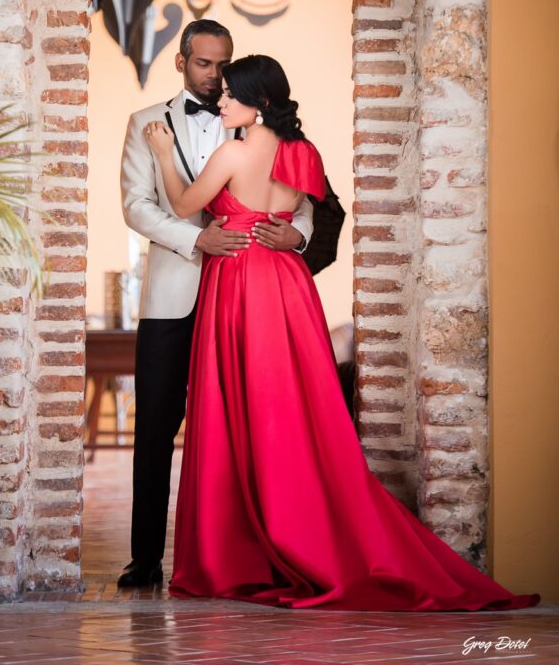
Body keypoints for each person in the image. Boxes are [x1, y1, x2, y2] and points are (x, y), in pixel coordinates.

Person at [144, 54, 540, 611]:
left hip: (239, 280)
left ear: (259, 103)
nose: (222, 101)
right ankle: (290, 529)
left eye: (231, 94)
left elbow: (186, 206)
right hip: (286, 283)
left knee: (238, 408)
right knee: (286, 408)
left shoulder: (233, 150)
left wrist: (164, 154)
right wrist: (288, 236)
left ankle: (235, 553)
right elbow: (304, 214)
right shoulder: (303, 153)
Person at [118, 24, 314, 588]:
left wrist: (293, 237)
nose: (214, 76)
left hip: (249, 293)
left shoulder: (261, 125)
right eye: (204, 64)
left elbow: (300, 200)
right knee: (156, 426)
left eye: (222, 65)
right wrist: (194, 240)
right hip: (174, 296)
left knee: (249, 425)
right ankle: (146, 557)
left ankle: (251, 550)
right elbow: (137, 206)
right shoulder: (144, 123)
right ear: (181, 62)